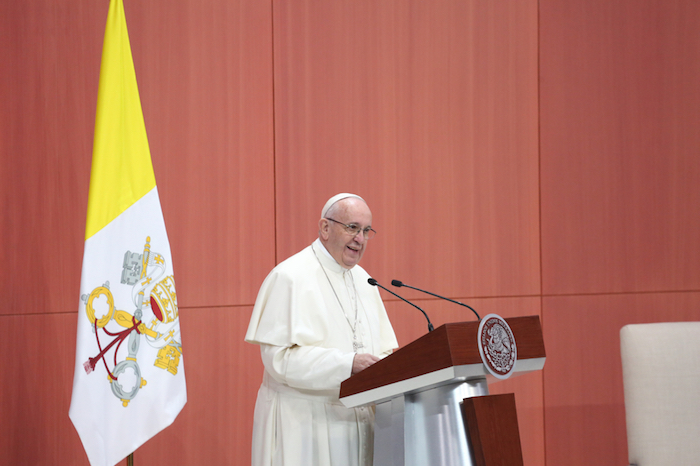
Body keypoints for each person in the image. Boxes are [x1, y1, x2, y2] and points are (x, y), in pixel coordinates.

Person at [245, 193, 398, 466]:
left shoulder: (365, 280)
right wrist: (347, 364)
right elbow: (279, 360)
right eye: (351, 227)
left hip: (359, 422)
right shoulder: (290, 276)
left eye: (366, 231)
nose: (359, 239)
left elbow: (385, 350)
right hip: (305, 426)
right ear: (325, 228)